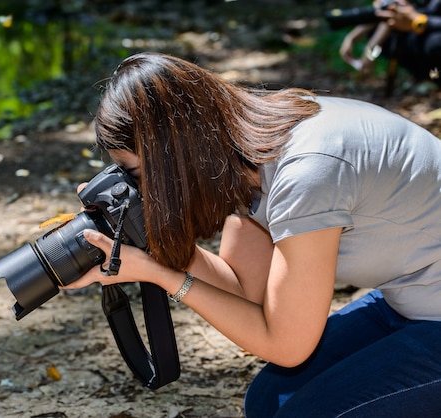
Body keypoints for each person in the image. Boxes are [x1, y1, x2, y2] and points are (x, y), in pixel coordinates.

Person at [62, 52, 441, 417]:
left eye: (138, 175)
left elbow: (286, 345)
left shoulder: (306, 174)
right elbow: (244, 290)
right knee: (268, 402)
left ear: (174, 157)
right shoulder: (247, 151)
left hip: (431, 308)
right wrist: (147, 240)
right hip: (412, 297)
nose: (140, 191)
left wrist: (158, 274)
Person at [339, 0, 441, 84]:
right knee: (378, 35)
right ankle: (423, 76)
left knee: (434, 43)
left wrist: (419, 21)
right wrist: (352, 38)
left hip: (433, 34)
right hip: (414, 35)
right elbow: (387, 16)